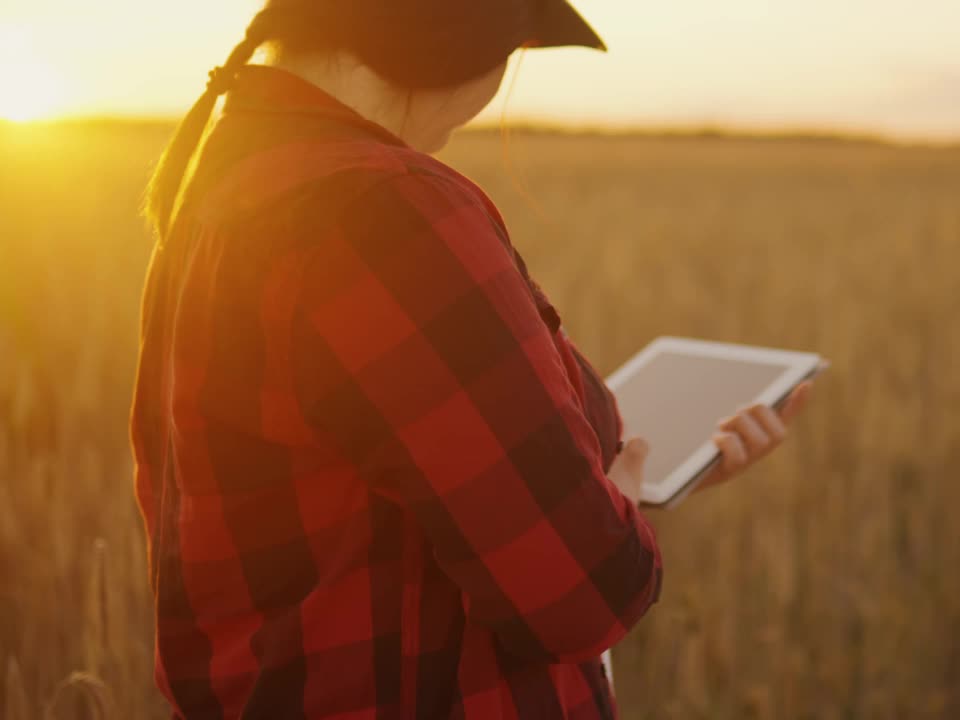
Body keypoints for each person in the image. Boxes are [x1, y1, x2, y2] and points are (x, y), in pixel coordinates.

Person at [129, 0, 813, 717]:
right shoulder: (385, 210)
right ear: (448, 38)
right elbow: (580, 595)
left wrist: (616, 481)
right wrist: (617, 514)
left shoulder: (226, 184)